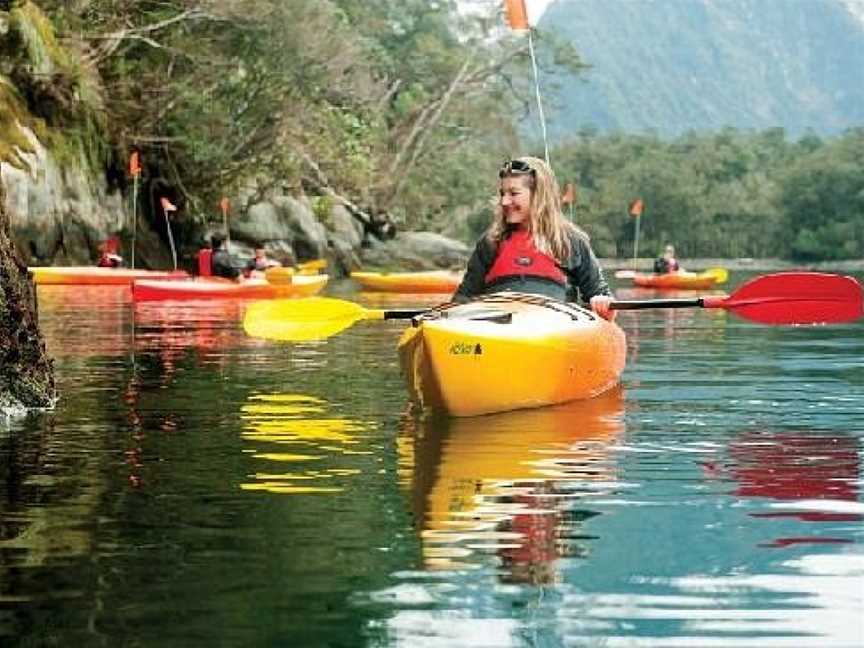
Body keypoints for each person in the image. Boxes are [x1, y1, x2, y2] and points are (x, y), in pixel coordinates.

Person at [452, 156, 616, 321]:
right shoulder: (490, 244)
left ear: (539, 196)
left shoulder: (571, 241)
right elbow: (462, 301)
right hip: (496, 329)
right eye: (502, 193)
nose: (504, 201)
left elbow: (600, 294)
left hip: (555, 330)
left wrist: (602, 302)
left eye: (513, 193)